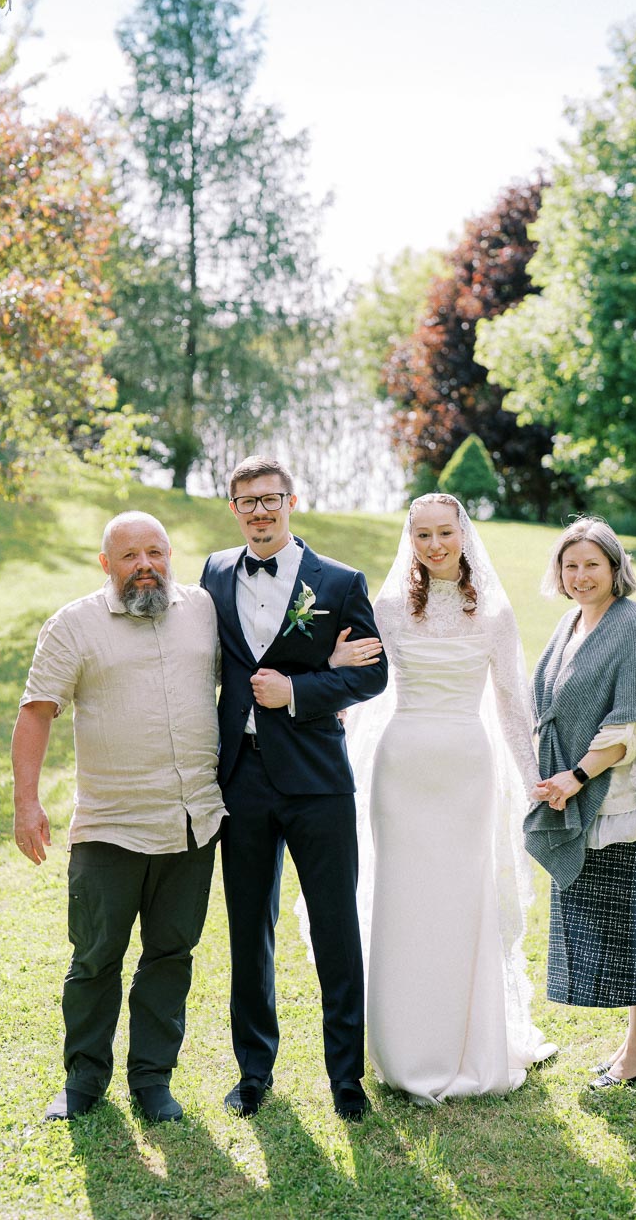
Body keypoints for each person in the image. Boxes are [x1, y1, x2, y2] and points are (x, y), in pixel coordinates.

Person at [328, 493, 556, 1102]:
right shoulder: (390, 606)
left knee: (461, 897)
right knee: (405, 898)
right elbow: (362, 685)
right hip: (403, 767)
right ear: (411, 538)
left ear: (463, 534)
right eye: (422, 534)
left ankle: (468, 1041)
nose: (433, 545)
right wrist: (331, 680)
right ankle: (404, 1047)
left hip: (465, 767)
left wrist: (534, 775)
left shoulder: (495, 614)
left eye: (443, 534)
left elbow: (511, 700)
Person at [11, 511, 226, 1124]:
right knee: (96, 958)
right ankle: (83, 1081)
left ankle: (153, 1080)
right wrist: (28, 803)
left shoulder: (204, 610)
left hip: (193, 822)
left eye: (154, 552)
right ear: (106, 564)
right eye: (129, 556)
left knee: (170, 955)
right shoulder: (73, 625)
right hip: (110, 825)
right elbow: (36, 712)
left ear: (169, 554)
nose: (145, 567)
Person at [200, 456, 387, 1121]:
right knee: (249, 930)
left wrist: (300, 691)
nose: (258, 511)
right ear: (233, 508)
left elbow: (372, 675)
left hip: (316, 780)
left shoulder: (338, 581)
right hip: (241, 779)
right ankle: (254, 1074)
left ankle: (346, 1081)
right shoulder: (215, 573)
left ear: (291, 501)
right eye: (245, 501)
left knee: (336, 928)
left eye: (269, 499)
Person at [525, 517, 636, 1089]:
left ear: (617, 568)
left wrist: (574, 776)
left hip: (623, 801)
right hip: (577, 792)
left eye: (592, 564)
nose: (580, 575)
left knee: (633, 923)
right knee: (625, 922)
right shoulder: (571, 622)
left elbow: (634, 725)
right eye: (571, 565)